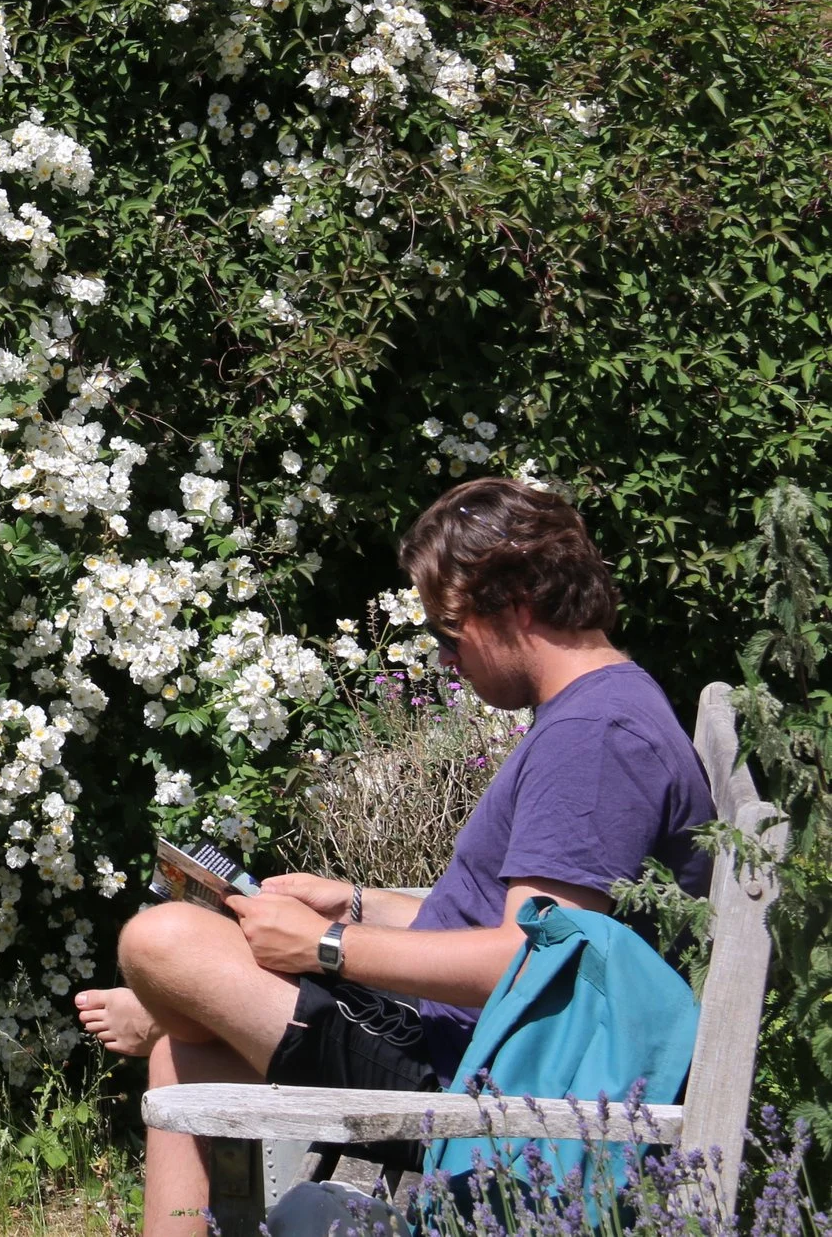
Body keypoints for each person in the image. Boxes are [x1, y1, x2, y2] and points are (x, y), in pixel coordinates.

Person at [73, 478, 714, 1237]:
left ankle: (166, 1007)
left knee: (162, 939)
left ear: (517, 605)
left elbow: (525, 964)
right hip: (452, 1033)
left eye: (450, 631)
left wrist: (327, 945)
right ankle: (172, 1015)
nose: (445, 658)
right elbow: (509, 925)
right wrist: (354, 902)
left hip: (472, 1075)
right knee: (183, 1054)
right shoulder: (598, 710)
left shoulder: (594, 742)